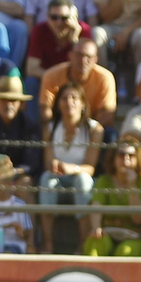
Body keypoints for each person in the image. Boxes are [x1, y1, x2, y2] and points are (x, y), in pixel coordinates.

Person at [38, 81, 101, 245]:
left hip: (80, 177)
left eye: (74, 97)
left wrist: (71, 168)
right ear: (58, 104)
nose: (69, 102)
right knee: (46, 179)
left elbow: (91, 168)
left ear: (82, 104)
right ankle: (48, 242)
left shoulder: (94, 130)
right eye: (64, 98)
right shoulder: (50, 128)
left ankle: (83, 243)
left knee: (83, 179)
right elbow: (47, 162)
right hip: (57, 178)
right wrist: (54, 166)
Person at [82, 138, 141, 256]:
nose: (126, 159)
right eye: (121, 155)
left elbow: (138, 219)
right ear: (113, 158)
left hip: (138, 237)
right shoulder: (104, 180)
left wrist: (132, 186)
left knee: (126, 251)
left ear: (138, 159)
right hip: (109, 234)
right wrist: (96, 228)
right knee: (95, 244)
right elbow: (96, 205)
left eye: (131, 155)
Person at [38, 38, 116, 127]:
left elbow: (106, 114)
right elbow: (45, 109)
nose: (83, 61)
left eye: (88, 57)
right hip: (59, 125)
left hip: (92, 127)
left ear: (95, 60)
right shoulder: (51, 75)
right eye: (79, 55)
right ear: (70, 56)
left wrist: (86, 133)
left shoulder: (105, 77)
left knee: (110, 135)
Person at [28, 0, 93, 77]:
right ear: (47, 17)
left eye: (64, 18)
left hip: (75, 81)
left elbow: (85, 68)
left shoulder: (84, 31)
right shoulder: (39, 30)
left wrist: (74, 41)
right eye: (54, 17)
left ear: (73, 18)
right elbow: (32, 69)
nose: (59, 23)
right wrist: (57, 79)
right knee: (31, 82)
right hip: (47, 78)